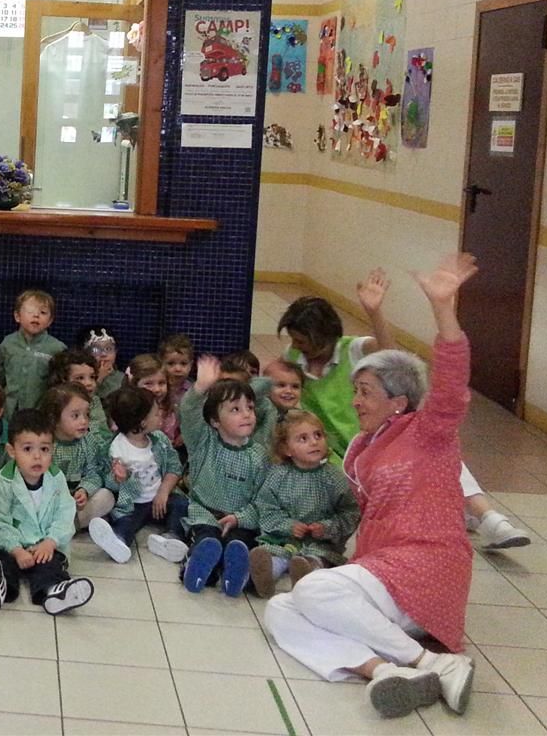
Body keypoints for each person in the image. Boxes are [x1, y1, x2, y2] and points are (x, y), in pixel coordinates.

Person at [265, 254, 481, 720]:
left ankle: (434, 662)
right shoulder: (364, 445)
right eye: (356, 390)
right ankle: (384, 671)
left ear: (398, 402)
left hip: (426, 565)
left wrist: (443, 308)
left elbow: (450, 380)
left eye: (365, 393)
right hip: (382, 569)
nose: (355, 400)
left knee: (316, 591)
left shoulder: (429, 432)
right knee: (281, 609)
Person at [268, 271, 529, 548]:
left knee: (438, 452)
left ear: (326, 337)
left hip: (377, 442)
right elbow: (276, 383)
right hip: (332, 455)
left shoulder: (353, 349)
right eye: (295, 340)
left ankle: (488, 517)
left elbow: (394, 359)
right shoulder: (294, 357)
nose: (297, 347)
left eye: (303, 341)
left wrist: (374, 311)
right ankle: (468, 513)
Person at [0, 409, 94, 615]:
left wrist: (50, 542)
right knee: (3, 562)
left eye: (45, 449)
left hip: (45, 545)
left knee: (50, 567)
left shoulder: (56, 479)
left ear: (53, 450)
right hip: (12, 546)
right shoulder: (2, 483)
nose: (37, 456)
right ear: (12, 451)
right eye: (28, 449)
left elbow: (65, 514)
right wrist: (16, 549)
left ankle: (54, 593)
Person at [178, 357, 268, 596]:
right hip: (204, 513)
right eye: (235, 410)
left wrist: (240, 518)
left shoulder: (259, 456)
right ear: (215, 421)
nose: (246, 414)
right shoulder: (203, 440)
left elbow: (263, 500)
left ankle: (233, 574)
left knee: (238, 544)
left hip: (239, 520)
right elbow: (188, 411)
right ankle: (193, 568)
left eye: (250, 408)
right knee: (207, 540)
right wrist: (200, 388)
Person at [248, 410, 359, 598]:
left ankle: (306, 574)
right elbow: (267, 508)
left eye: (318, 435)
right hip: (284, 539)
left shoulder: (334, 478)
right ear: (286, 449)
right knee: (276, 554)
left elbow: (350, 513)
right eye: (303, 439)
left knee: (318, 559)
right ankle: (266, 574)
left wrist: (326, 528)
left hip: (320, 543)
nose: (314, 442)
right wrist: (288, 526)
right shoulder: (278, 475)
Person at [87, 386, 180, 564]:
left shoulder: (159, 440)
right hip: (132, 504)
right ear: (142, 422)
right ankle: (119, 541)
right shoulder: (116, 448)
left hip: (159, 499)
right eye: (155, 413)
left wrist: (164, 491)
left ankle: (171, 538)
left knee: (181, 505)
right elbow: (109, 484)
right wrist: (119, 478)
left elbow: (174, 467)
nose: (160, 414)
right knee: (125, 520)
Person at [41, 383, 113, 529]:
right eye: (75, 416)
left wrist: (84, 490)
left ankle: (70, 525)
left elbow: (93, 473)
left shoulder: (88, 441)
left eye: (87, 414)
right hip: (49, 500)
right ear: (54, 418)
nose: (84, 421)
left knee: (106, 497)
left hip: (76, 501)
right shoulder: (44, 444)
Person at [0, 289, 65, 413]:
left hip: (40, 413)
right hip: (9, 411)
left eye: (43, 312)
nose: (36, 316)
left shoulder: (57, 348)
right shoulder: (7, 344)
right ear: (17, 316)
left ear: (50, 320)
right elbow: (0, 377)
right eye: (30, 311)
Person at [47, 347, 108, 433]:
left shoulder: (95, 401)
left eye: (92, 377)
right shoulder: (56, 403)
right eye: (80, 378)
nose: (89, 383)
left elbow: (103, 433)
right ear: (63, 380)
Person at [80, 327, 124, 400]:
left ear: (116, 351)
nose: (103, 354)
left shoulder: (123, 379)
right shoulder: (80, 376)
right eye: (96, 349)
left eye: (108, 349)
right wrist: (99, 378)